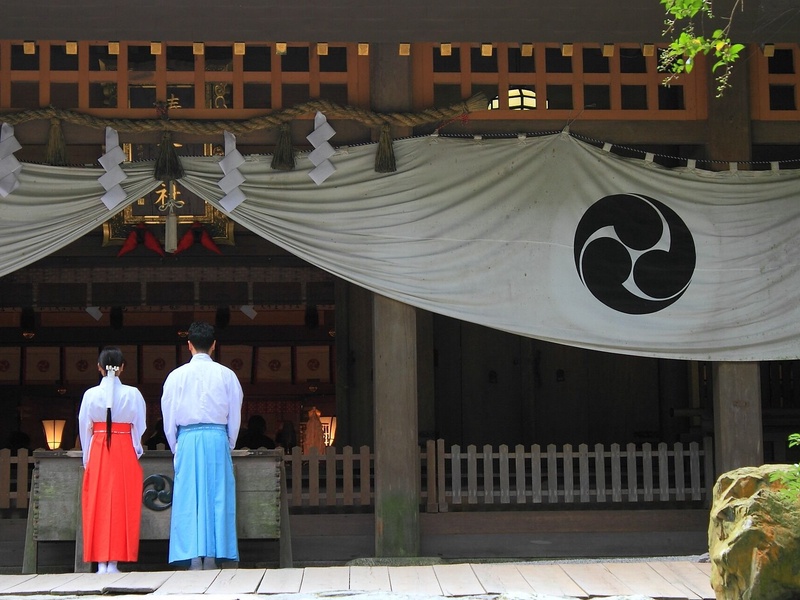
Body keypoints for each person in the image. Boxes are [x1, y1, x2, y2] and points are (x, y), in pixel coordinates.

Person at [161, 321, 243, 570]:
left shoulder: (176, 376)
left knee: (189, 497)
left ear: (189, 345)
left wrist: (176, 445)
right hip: (218, 437)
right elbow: (235, 413)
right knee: (218, 496)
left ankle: (194, 558)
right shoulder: (227, 375)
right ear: (214, 345)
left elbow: (168, 414)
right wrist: (229, 442)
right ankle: (213, 556)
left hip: (187, 438)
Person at [78, 346, 146, 574]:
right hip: (123, 446)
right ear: (122, 368)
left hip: (98, 448)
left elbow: (83, 428)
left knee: (97, 503)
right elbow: (140, 426)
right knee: (120, 503)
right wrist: (135, 448)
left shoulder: (90, 395)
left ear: (99, 368)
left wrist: (87, 457)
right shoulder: (133, 394)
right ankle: (114, 562)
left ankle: (100, 563)